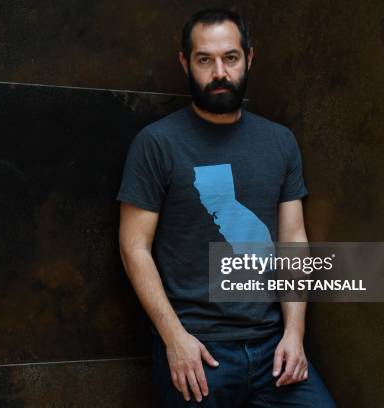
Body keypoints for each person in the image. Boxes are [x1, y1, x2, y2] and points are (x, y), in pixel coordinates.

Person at [117, 7, 335, 407]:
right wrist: (175, 339)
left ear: (248, 58)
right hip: (199, 352)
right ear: (186, 62)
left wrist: (295, 334)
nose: (219, 72)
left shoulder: (280, 142)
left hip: (274, 346)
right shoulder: (157, 144)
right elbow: (134, 248)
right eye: (205, 60)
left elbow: (293, 240)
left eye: (230, 58)